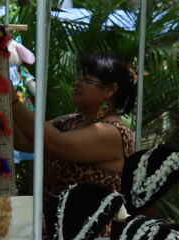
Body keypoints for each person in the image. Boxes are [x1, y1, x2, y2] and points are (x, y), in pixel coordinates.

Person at [10, 51, 135, 195]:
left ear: (109, 90)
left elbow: (54, 144)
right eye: (79, 78)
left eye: (86, 81)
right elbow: (21, 140)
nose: (77, 83)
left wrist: (13, 101)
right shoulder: (72, 121)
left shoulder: (113, 131)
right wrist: (0, 105)